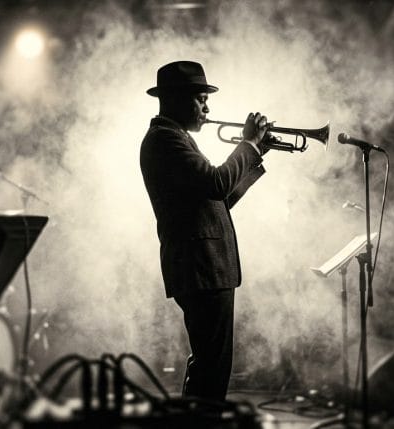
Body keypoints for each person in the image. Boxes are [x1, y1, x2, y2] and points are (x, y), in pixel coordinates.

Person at [140, 60, 270, 401]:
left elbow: (217, 200)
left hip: (206, 266)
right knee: (211, 370)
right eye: (200, 98)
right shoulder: (165, 140)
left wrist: (255, 154)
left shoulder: (174, 138)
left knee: (211, 366)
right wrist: (248, 145)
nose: (207, 107)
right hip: (201, 267)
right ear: (177, 100)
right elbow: (216, 183)